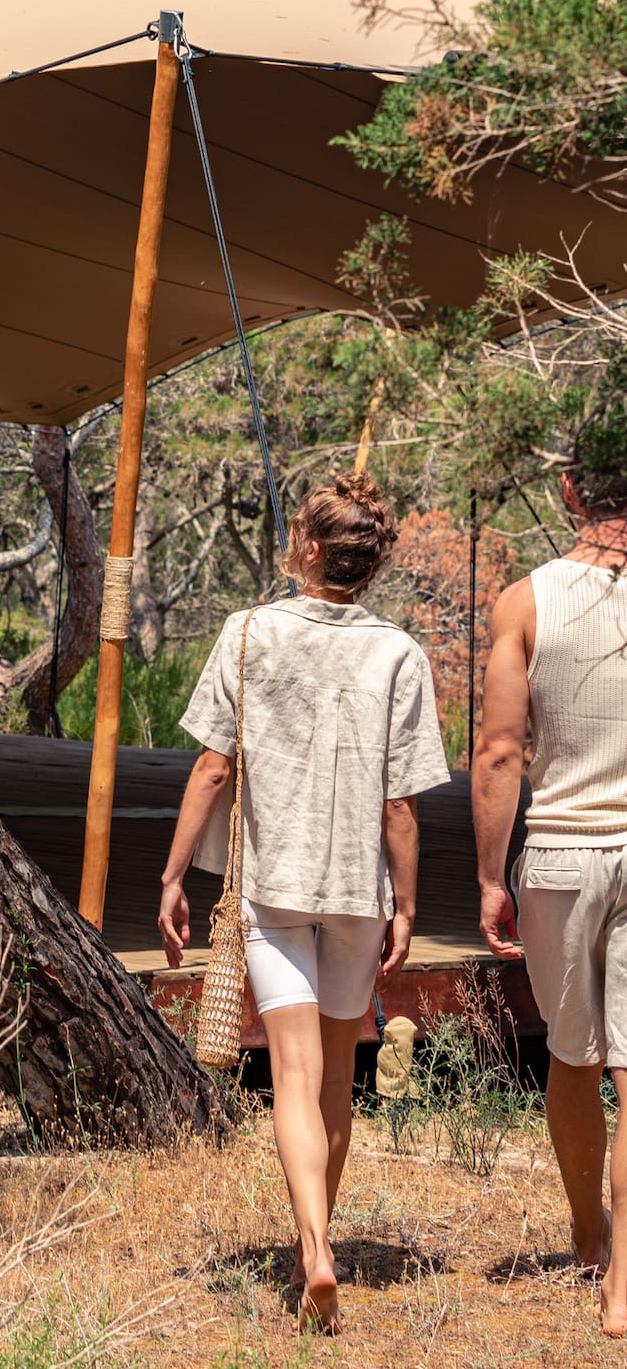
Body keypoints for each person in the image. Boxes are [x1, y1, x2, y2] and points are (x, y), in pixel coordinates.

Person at [158, 473, 450, 1335]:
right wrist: (407, 904)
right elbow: (401, 804)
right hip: (359, 891)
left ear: (312, 551)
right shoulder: (399, 653)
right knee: (335, 1079)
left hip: (273, 886)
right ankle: (316, 1246)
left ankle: (313, 1247)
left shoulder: (246, 635)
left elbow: (213, 768)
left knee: (289, 1075)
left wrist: (176, 875)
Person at [473, 407, 627, 1338]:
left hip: (564, 854)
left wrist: (492, 875)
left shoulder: (526, 602)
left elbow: (499, 751)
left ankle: (589, 1235)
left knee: (573, 1061)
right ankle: (626, 1293)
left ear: (571, 490)